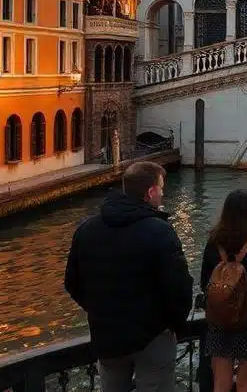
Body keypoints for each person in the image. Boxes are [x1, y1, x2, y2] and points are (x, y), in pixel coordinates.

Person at [64, 161, 193, 392]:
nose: (162, 194)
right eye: (161, 189)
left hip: (107, 337)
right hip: (152, 338)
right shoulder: (160, 231)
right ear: (151, 192)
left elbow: (72, 283)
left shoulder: (86, 230)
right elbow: (179, 289)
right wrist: (171, 324)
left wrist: (100, 311)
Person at [201, 189, 247, 392]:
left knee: (220, 383)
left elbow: (204, 282)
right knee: (245, 382)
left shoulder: (213, 243)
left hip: (219, 319)